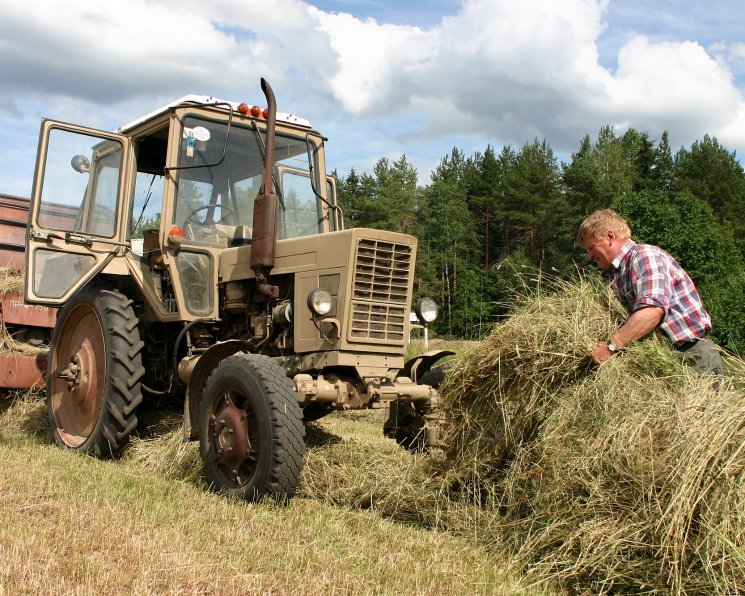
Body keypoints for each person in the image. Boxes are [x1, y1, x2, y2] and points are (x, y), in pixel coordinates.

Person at [577, 209, 723, 376]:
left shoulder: (645, 256)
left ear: (610, 237)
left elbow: (653, 311)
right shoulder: (616, 275)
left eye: (592, 247)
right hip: (662, 361)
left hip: (691, 357)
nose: (589, 256)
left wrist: (611, 347)